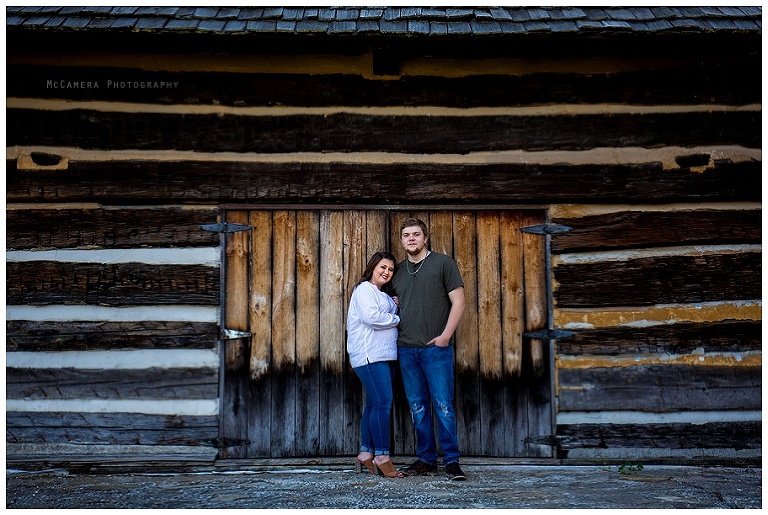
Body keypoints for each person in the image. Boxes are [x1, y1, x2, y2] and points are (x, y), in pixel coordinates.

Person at [391, 217, 467, 481]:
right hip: (406, 349)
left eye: (416, 234)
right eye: (406, 235)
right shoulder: (398, 271)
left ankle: (452, 461)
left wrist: (445, 336)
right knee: (417, 407)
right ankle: (426, 459)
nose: (411, 238)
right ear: (402, 240)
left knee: (443, 405)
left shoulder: (443, 263)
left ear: (425, 238)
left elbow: (459, 302)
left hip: (436, 349)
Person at [346, 251, 404, 478]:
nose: (386, 272)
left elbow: (384, 311)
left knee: (373, 403)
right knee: (382, 403)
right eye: (383, 267)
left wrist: (393, 304)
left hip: (385, 356)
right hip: (370, 355)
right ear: (372, 267)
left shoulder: (382, 294)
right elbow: (372, 318)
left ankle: (365, 452)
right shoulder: (364, 290)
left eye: (390, 269)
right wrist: (397, 318)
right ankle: (382, 455)